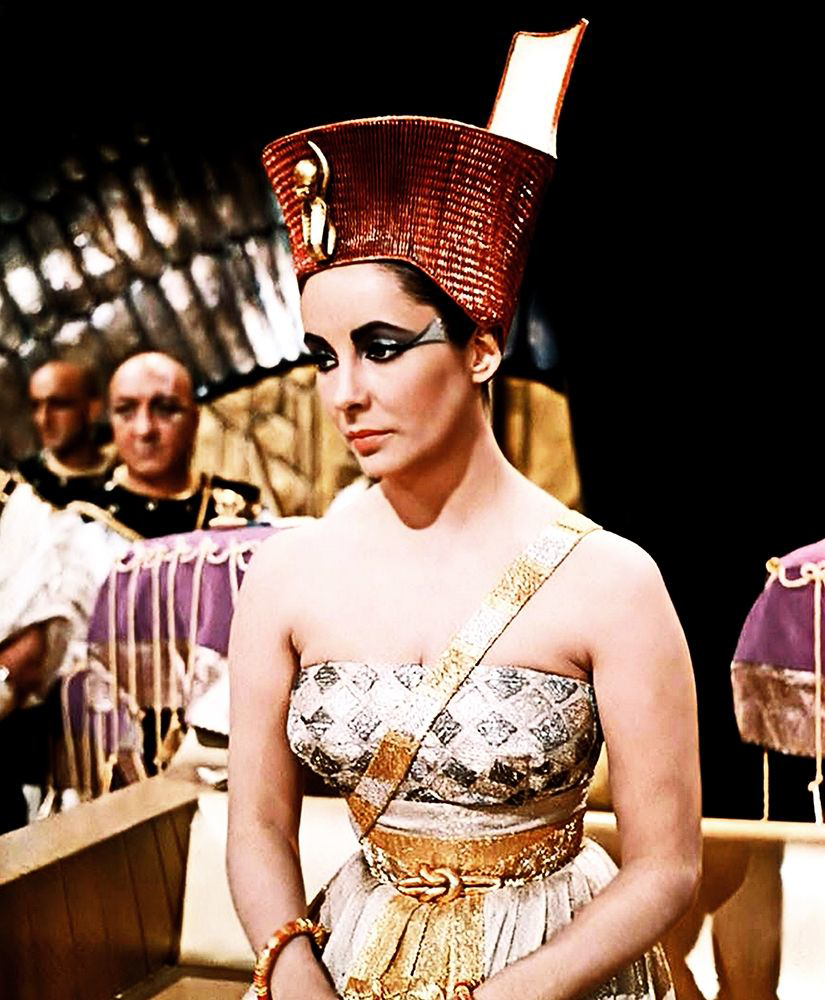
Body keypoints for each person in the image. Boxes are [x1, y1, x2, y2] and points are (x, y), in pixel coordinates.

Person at [227, 22, 701, 1000]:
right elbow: (258, 827)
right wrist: (297, 976)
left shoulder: (610, 581)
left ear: (482, 346)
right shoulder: (286, 573)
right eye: (323, 357)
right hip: (353, 955)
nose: (344, 393)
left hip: (553, 968)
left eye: (382, 347)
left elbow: (666, 865)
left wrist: (511, 993)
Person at [81, 350, 263, 539]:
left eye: (165, 409)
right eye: (125, 410)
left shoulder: (240, 506)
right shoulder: (83, 527)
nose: (144, 429)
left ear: (195, 419)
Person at [16, 360, 114, 508]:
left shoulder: (125, 466)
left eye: (58, 404)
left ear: (92, 409)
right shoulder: (26, 488)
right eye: (36, 406)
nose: (43, 419)